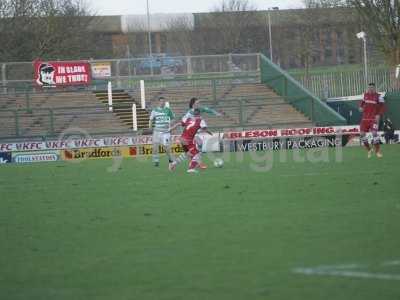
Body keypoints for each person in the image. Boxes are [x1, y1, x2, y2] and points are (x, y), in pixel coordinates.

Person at [182, 97, 222, 169]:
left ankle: (195, 162)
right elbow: (183, 121)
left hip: (197, 131)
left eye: (199, 103)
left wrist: (216, 113)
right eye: (197, 103)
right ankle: (196, 163)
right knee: (196, 147)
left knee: (198, 147)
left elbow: (208, 110)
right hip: (191, 133)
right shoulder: (189, 113)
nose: (199, 104)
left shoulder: (199, 109)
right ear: (193, 104)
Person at [169, 108, 213, 173]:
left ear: (194, 114)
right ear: (200, 114)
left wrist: (171, 128)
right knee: (197, 154)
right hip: (188, 140)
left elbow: (179, 124)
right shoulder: (200, 120)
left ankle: (173, 164)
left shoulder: (189, 119)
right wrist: (210, 133)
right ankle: (191, 168)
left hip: (182, 139)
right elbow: (205, 129)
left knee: (187, 154)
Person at [359, 83, 386, 158]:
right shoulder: (365, 95)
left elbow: (383, 107)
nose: (370, 89)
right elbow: (361, 104)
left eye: (372, 88)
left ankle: (377, 152)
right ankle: (369, 150)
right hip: (364, 119)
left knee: (374, 133)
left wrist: (378, 115)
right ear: (368, 88)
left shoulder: (379, 96)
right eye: (369, 87)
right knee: (362, 134)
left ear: (374, 88)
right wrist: (360, 107)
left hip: (373, 118)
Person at [148, 96, 175, 168]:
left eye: (164, 101)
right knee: (155, 146)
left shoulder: (168, 110)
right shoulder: (155, 110)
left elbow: (173, 119)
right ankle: (156, 161)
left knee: (167, 148)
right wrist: (150, 127)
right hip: (157, 131)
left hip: (165, 132)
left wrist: (170, 125)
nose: (162, 103)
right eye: (161, 101)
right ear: (159, 102)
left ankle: (170, 160)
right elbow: (151, 119)